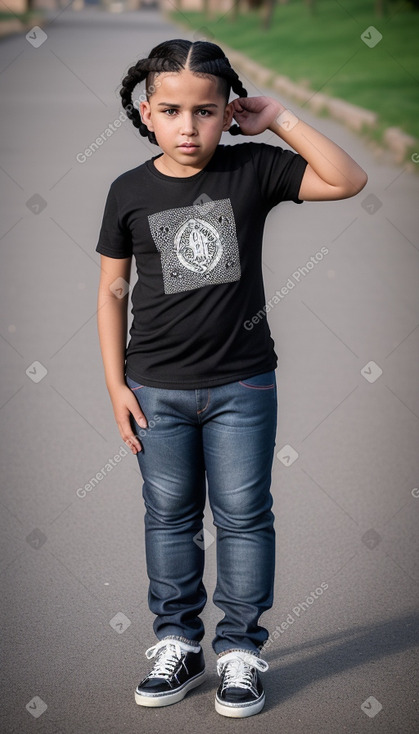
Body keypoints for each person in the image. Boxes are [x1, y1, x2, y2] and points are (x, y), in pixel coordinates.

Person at [95, 39, 367, 719]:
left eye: (207, 112)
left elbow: (346, 179)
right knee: (170, 519)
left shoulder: (252, 172)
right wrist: (115, 386)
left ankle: (241, 650)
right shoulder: (128, 191)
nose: (189, 127)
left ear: (228, 113)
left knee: (244, 518)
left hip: (242, 388)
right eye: (173, 111)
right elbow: (110, 292)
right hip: (154, 387)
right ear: (146, 112)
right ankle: (177, 642)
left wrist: (278, 118)